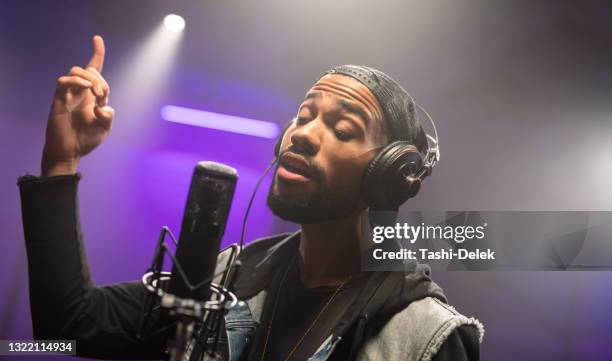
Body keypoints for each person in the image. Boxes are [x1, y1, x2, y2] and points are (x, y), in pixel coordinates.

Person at [18, 35, 483, 361]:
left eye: (342, 129)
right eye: (304, 116)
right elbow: (67, 330)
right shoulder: (224, 278)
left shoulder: (426, 337)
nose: (302, 134)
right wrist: (62, 162)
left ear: (390, 178)